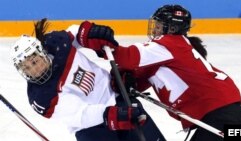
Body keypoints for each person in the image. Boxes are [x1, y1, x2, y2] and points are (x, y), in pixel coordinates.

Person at [85, 4, 241, 141]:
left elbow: (127, 57)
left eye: (158, 26)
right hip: (227, 115)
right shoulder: (167, 54)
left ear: (172, 28)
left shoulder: (168, 44)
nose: (154, 30)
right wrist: (128, 80)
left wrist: (100, 42)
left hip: (218, 116)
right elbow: (141, 78)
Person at [10, 18, 167, 141]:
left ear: (42, 52)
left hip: (117, 97)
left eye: (34, 62)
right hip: (93, 130)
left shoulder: (56, 45)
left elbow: (74, 33)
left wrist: (89, 34)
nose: (34, 70)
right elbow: (81, 115)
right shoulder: (42, 97)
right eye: (27, 68)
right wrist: (111, 115)